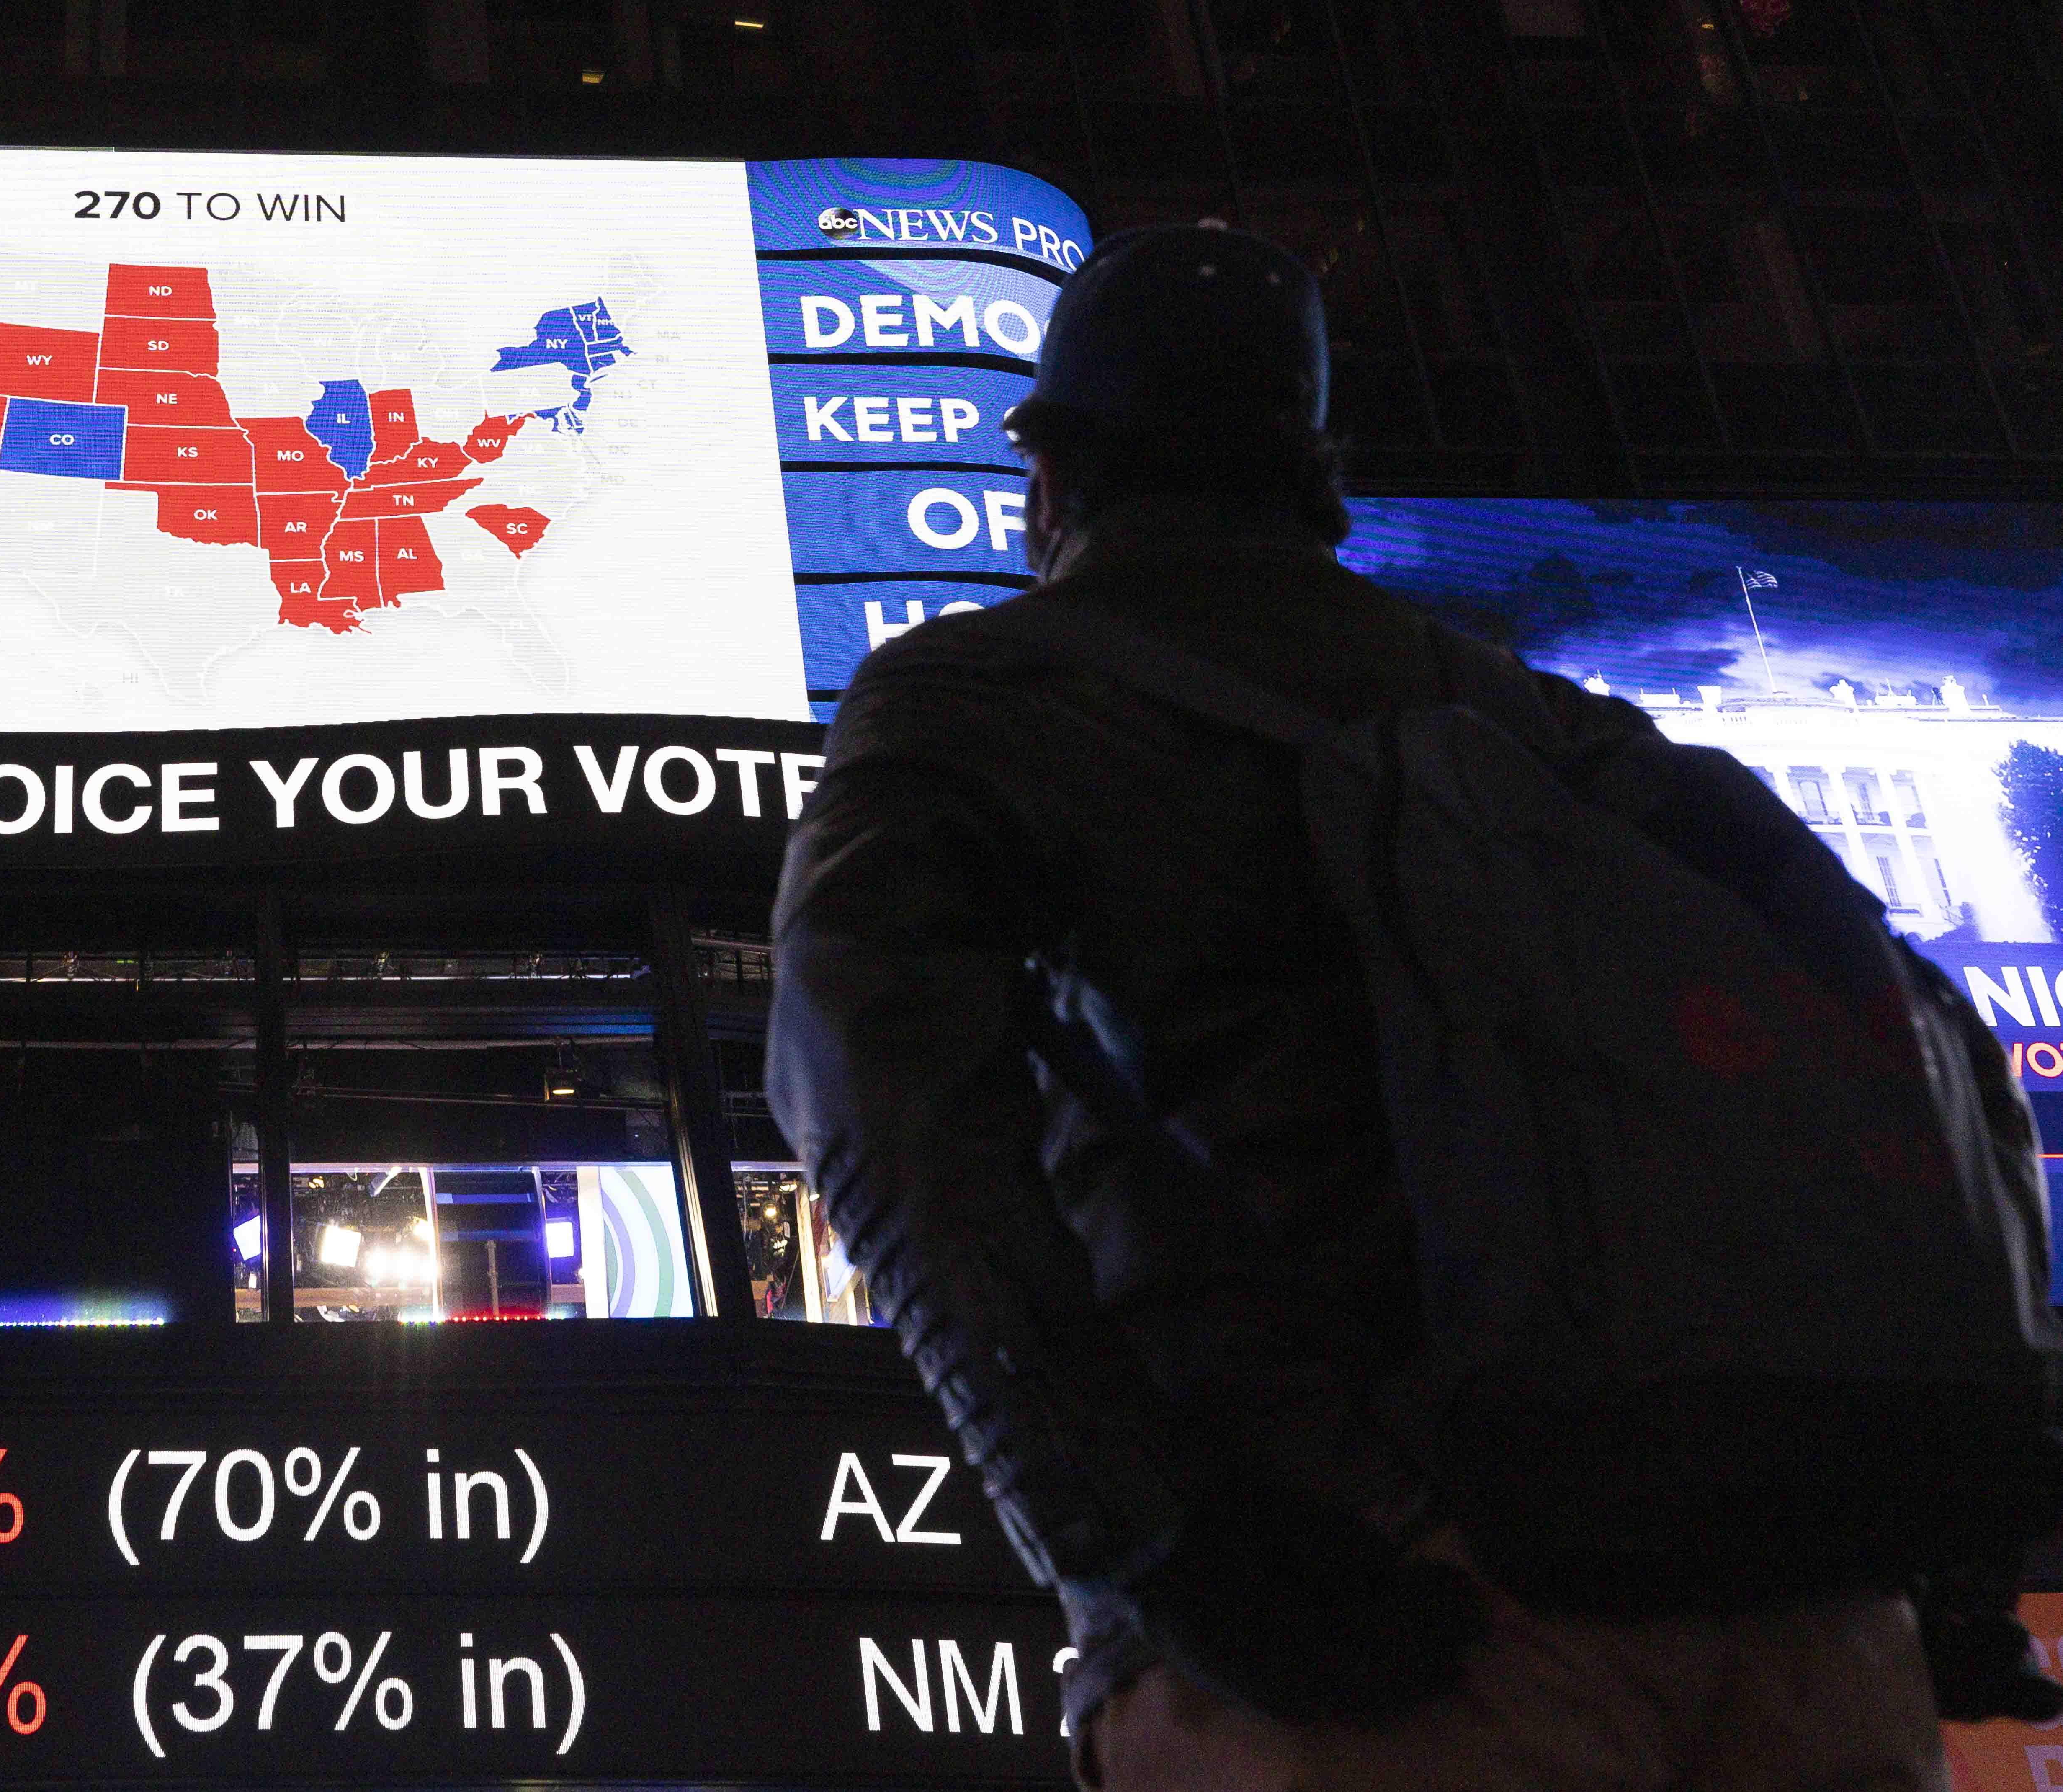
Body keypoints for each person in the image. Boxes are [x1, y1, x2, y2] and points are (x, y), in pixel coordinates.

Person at [765, 221, 2060, 1792]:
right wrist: (1948, 1551)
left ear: (1054, 473)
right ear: (1314, 466)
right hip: (1789, 1620)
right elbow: (1910, 1039)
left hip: (1383, 1626)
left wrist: (1154, 1545)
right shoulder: (1550, 727)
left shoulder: (972, 701)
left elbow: (882, 1125)